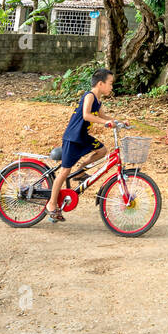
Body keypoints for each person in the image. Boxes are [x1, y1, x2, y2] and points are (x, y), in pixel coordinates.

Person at [47, 68, 118, 224]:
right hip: (73, 138)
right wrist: (105, 122)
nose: (112, 87)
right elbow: (86, 115)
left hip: (82, 137)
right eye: (110, 83)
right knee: (65, 171)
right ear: (101, 83)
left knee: (102, 150)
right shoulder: (90, 96)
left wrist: (117, 121)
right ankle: (52, 204)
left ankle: (79, 172)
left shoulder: (98, 100)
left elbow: (102, 115)